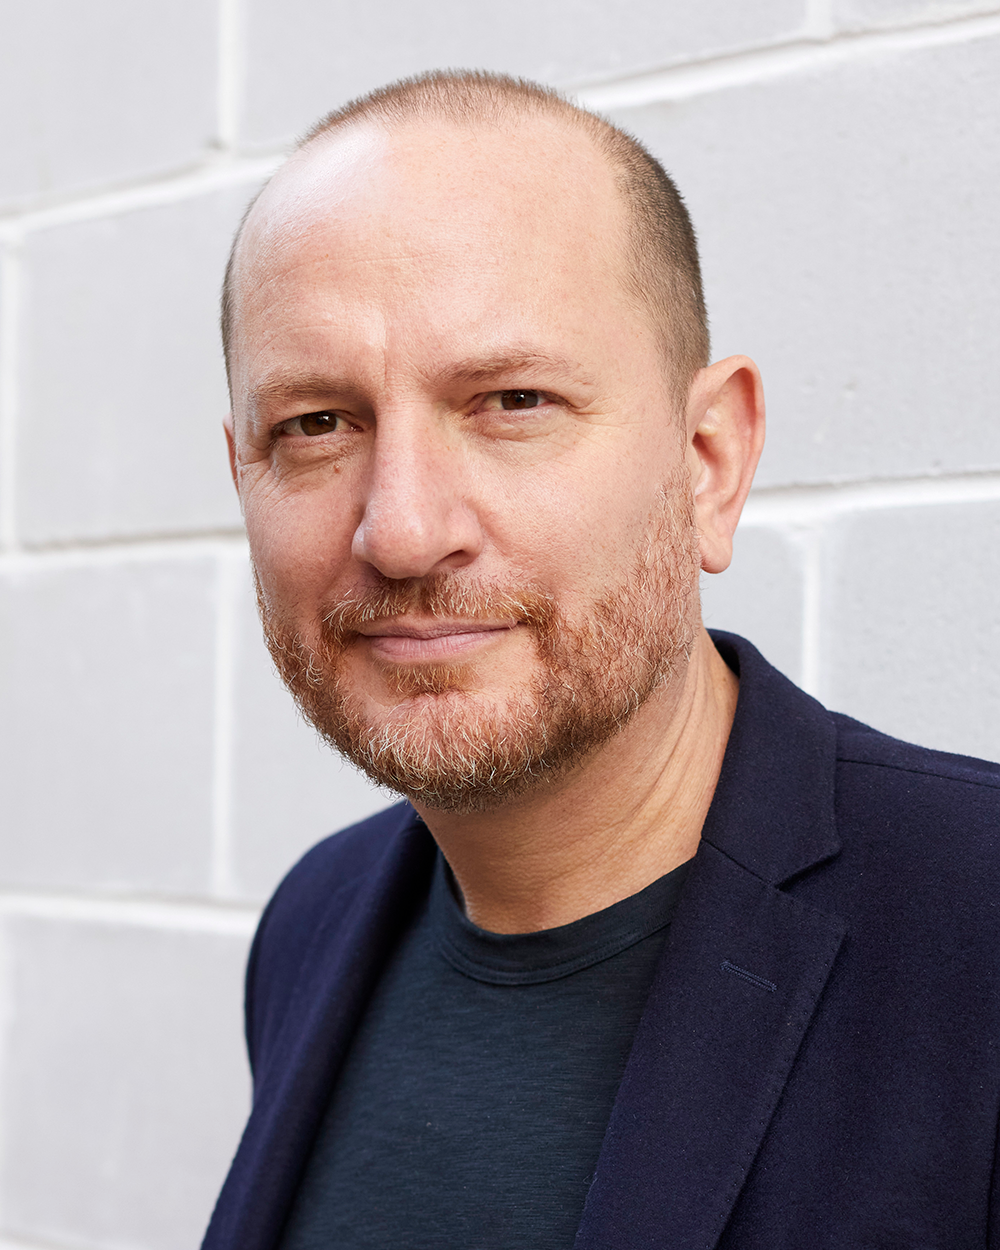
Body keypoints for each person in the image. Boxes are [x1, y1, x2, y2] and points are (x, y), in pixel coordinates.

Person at [203, 71, 1000, 1250]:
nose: (404, 528)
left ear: (706, 460)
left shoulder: (976, 925)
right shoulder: (312, 921)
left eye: (511, 400)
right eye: (317, 423)